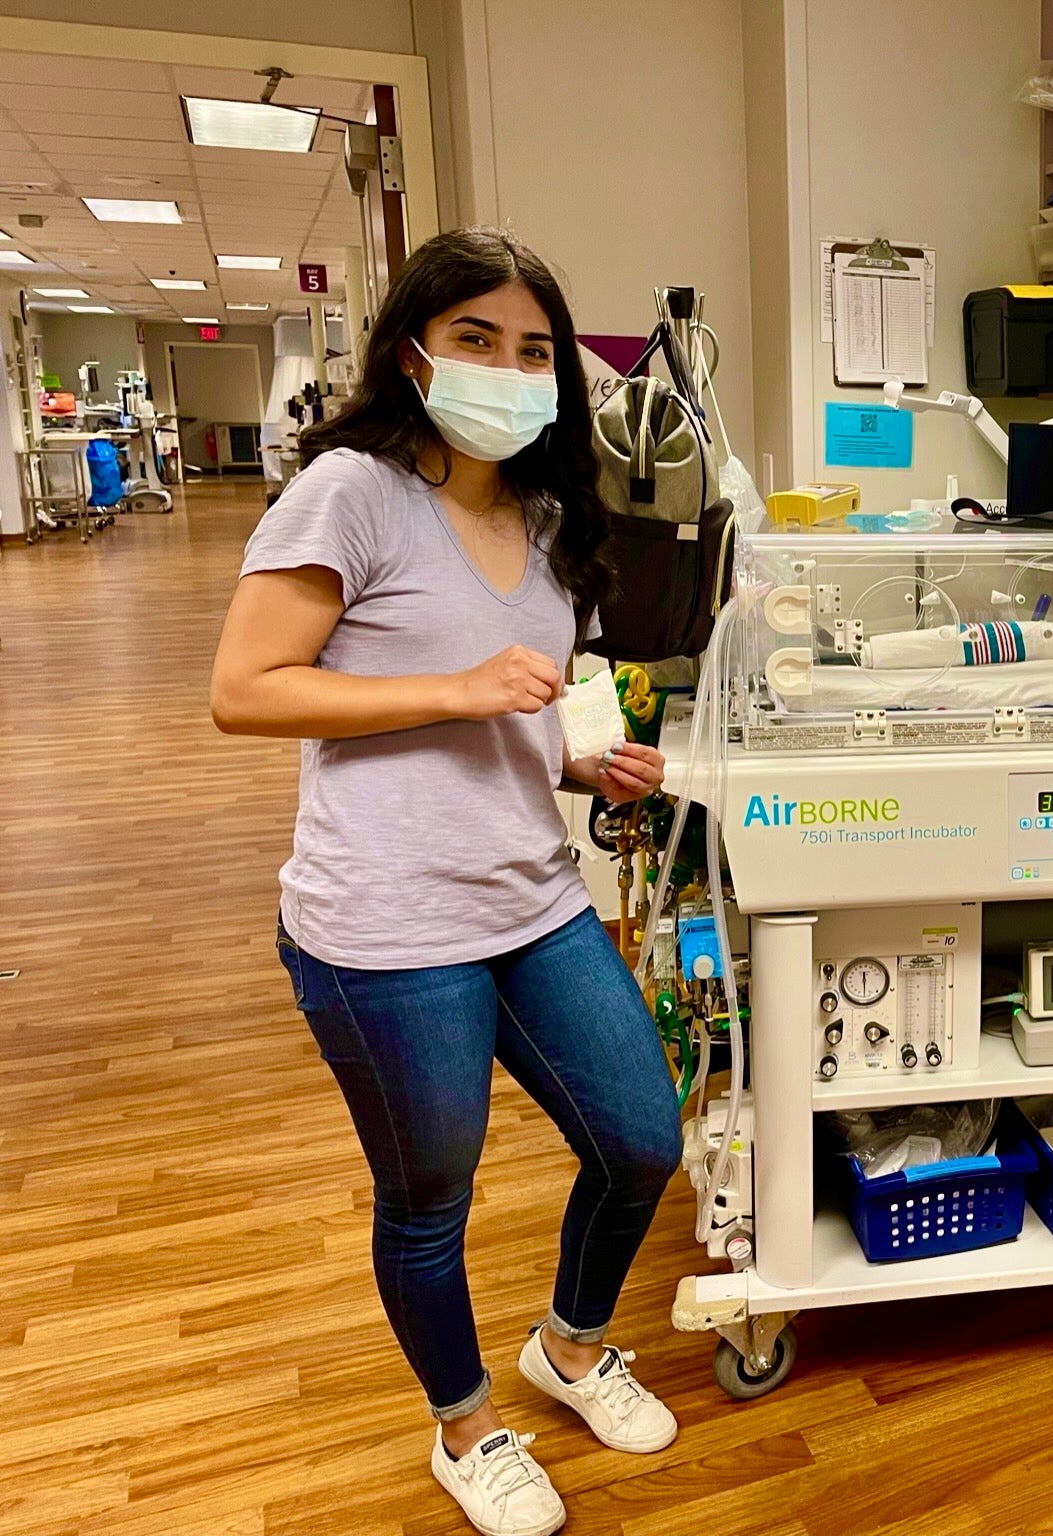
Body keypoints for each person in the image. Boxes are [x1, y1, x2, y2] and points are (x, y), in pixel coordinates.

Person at [211, 228, 680, 1536]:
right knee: (431, 1199)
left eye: (535, 350)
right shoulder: (350, 494)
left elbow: (513, 711)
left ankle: (571, 1349)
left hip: (530, 897)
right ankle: (467, 1427)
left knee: (641, 1141)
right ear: (413, 350)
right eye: (478, 339)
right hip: (382, 927)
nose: (509, 368)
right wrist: (459, 690)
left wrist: (588, 771)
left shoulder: (541, 519)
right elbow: (244, 693)